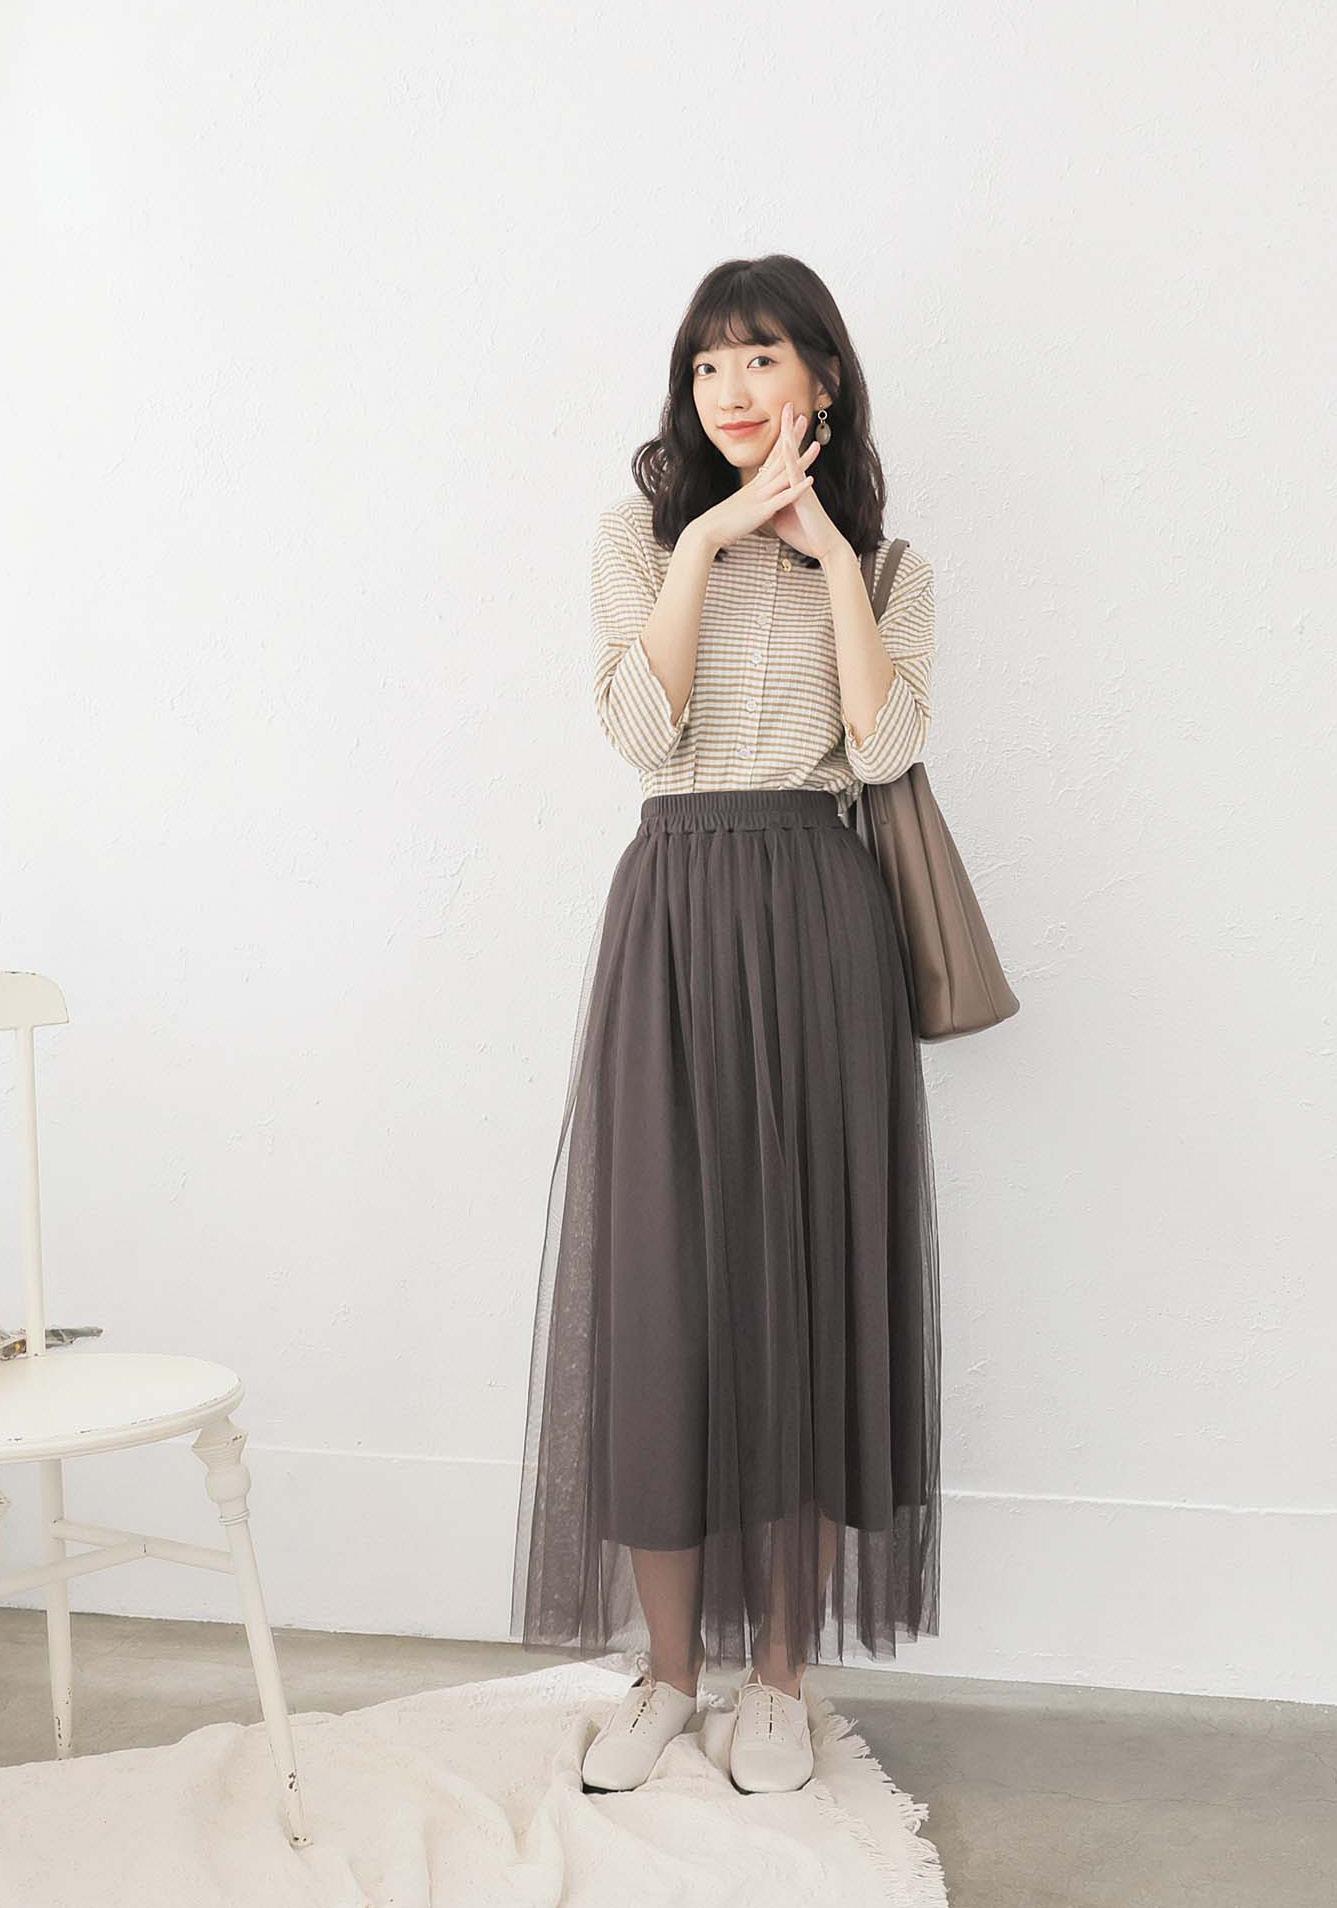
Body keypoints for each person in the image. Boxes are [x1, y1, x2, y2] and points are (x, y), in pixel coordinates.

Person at [510, 254, 941, 1796]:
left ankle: (778, 1682)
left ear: (820, 377)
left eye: (760, 359)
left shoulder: (886, 567)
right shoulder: (638, 539)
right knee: (664, 1297)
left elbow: (883, 747)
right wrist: (701, 542)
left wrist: (828, 564)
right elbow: (640, 730)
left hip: (818, 919)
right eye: (706, 365)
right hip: (678, 913)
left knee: (804, 1292)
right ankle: (667, 1675)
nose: (732, 390)